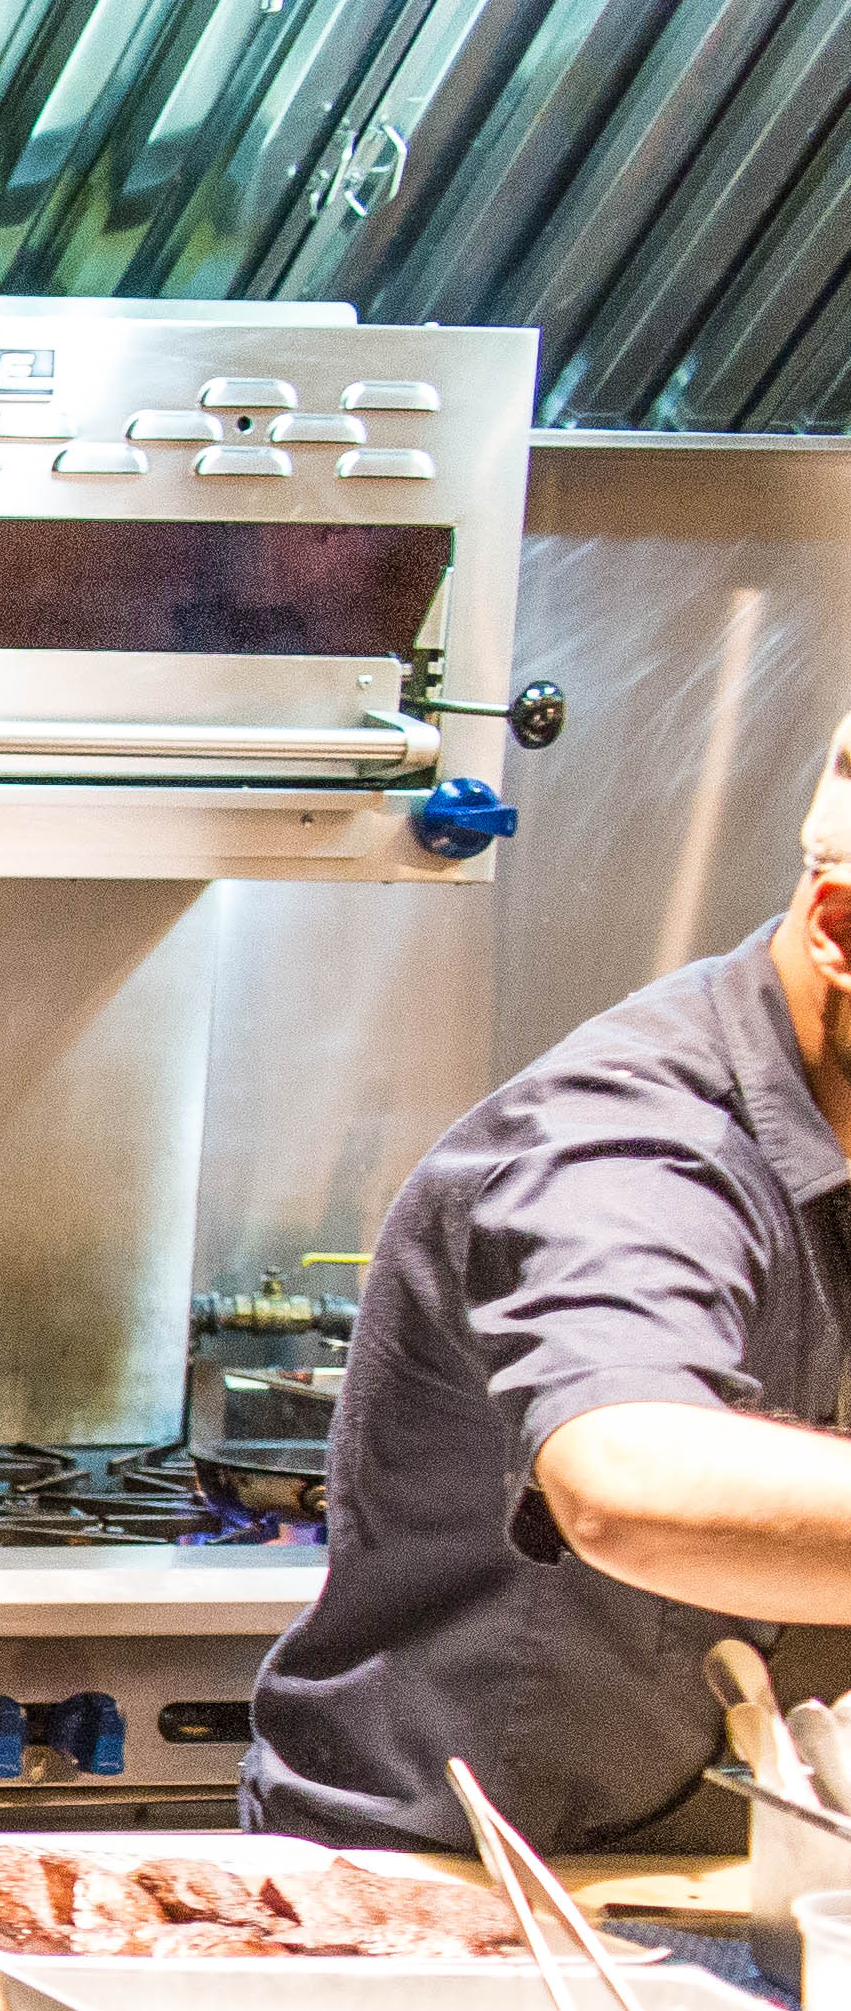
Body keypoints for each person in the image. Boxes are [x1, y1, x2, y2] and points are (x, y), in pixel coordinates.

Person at [248, 705, 851, 1852]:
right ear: (842, 927)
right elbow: (631, 1483)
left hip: (731, 1889)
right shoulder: (631, 1142)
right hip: (460, 1909)